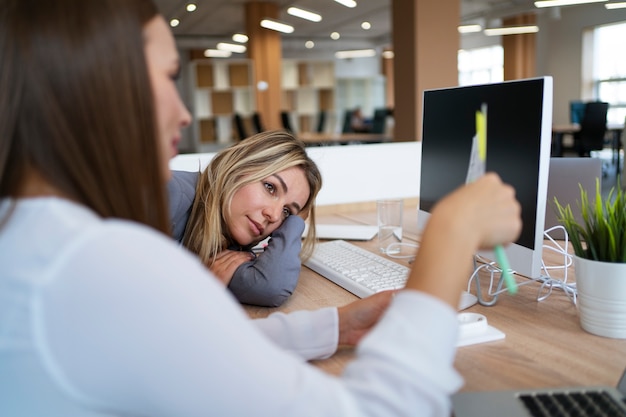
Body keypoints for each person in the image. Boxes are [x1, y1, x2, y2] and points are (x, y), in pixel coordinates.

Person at [0, 1, 522, 416]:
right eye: (166, 75)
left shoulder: (38, 241)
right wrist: (450, 235)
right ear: (93, 86)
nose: (184, 112)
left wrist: (333, 328)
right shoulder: (98, 258)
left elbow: (183, 351)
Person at [168, 131, 322, 307]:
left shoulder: (224, 238)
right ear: (238, 168)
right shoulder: (169, 195)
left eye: (286, 211)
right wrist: (197, 291)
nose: (274, 215)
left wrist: (295, 221)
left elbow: (269, 286)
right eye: (270, 187)